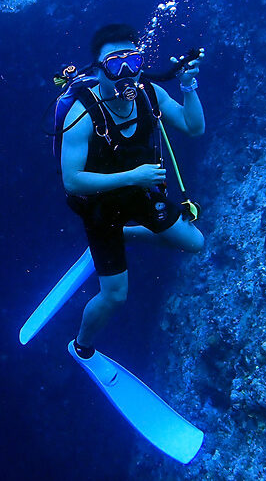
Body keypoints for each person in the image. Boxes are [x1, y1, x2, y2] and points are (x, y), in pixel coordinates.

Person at [61, 23, 205, 360]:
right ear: (98, 70)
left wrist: (188, 87)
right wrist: (133, 176)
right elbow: (72, 181)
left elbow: (193, 127)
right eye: (114, 64)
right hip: (100, 208)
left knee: (196, 243)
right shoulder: (82, 114)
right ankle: (81, 345)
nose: (126, 72)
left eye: (133, 61)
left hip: (140, 193)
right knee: (115, 296)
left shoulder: (150, 93)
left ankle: (127, 235)